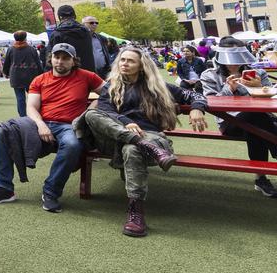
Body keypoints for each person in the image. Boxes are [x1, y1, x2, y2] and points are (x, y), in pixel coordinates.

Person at [75, 46, 208, 236]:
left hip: (151, 136)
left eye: (130, 61)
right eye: (122, 60)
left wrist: (197, 108)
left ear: (141, 66)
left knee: (131, 150)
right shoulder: (111, 86)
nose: (125, 64)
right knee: (91, 114)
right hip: (117, 137)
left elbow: (195, 94)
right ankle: (140, 143)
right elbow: (106, 112)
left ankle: (136, 212)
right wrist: (127, 123)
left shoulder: (157, 86)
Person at [0, 43, 105, 212]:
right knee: (2, 130)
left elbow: (110, 93)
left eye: (65, 58)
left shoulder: (87, 76)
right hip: (39, 122)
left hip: (69, 125)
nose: (60, 62)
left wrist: (91, 109)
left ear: (73, 60)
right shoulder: (40, 79)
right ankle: (3, 188)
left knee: (72, 144)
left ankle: (50, 192)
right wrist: (41, 125)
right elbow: (31, 107)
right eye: (57, 57)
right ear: (51, 58)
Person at [200, 37, 277, 198]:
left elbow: (271, 100)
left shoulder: (258, 73)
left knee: (255, 124)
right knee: (258, 119)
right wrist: (228, 89)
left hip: (260, 121)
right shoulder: (209, 75)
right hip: (230, 123)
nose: (234, 62)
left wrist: (259, 87)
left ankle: (261, 179)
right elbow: (210, 102)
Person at [2, 31, 44, 118]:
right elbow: (38, 63)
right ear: (25, 38)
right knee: (34, 97)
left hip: (16, 76)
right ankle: (35, 115)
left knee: (20, 99)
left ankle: (23, 117)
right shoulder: (32, 49)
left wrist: (5, 72)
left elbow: (6, 63)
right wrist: (41, 74)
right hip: (31, 76)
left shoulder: (11, 49)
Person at [45, 5, 95, 73]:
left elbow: (50, 58)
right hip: (88, 74)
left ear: (60, 17)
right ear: (74, 16)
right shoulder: (86, 32)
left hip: (67, 76)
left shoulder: (57, 33)